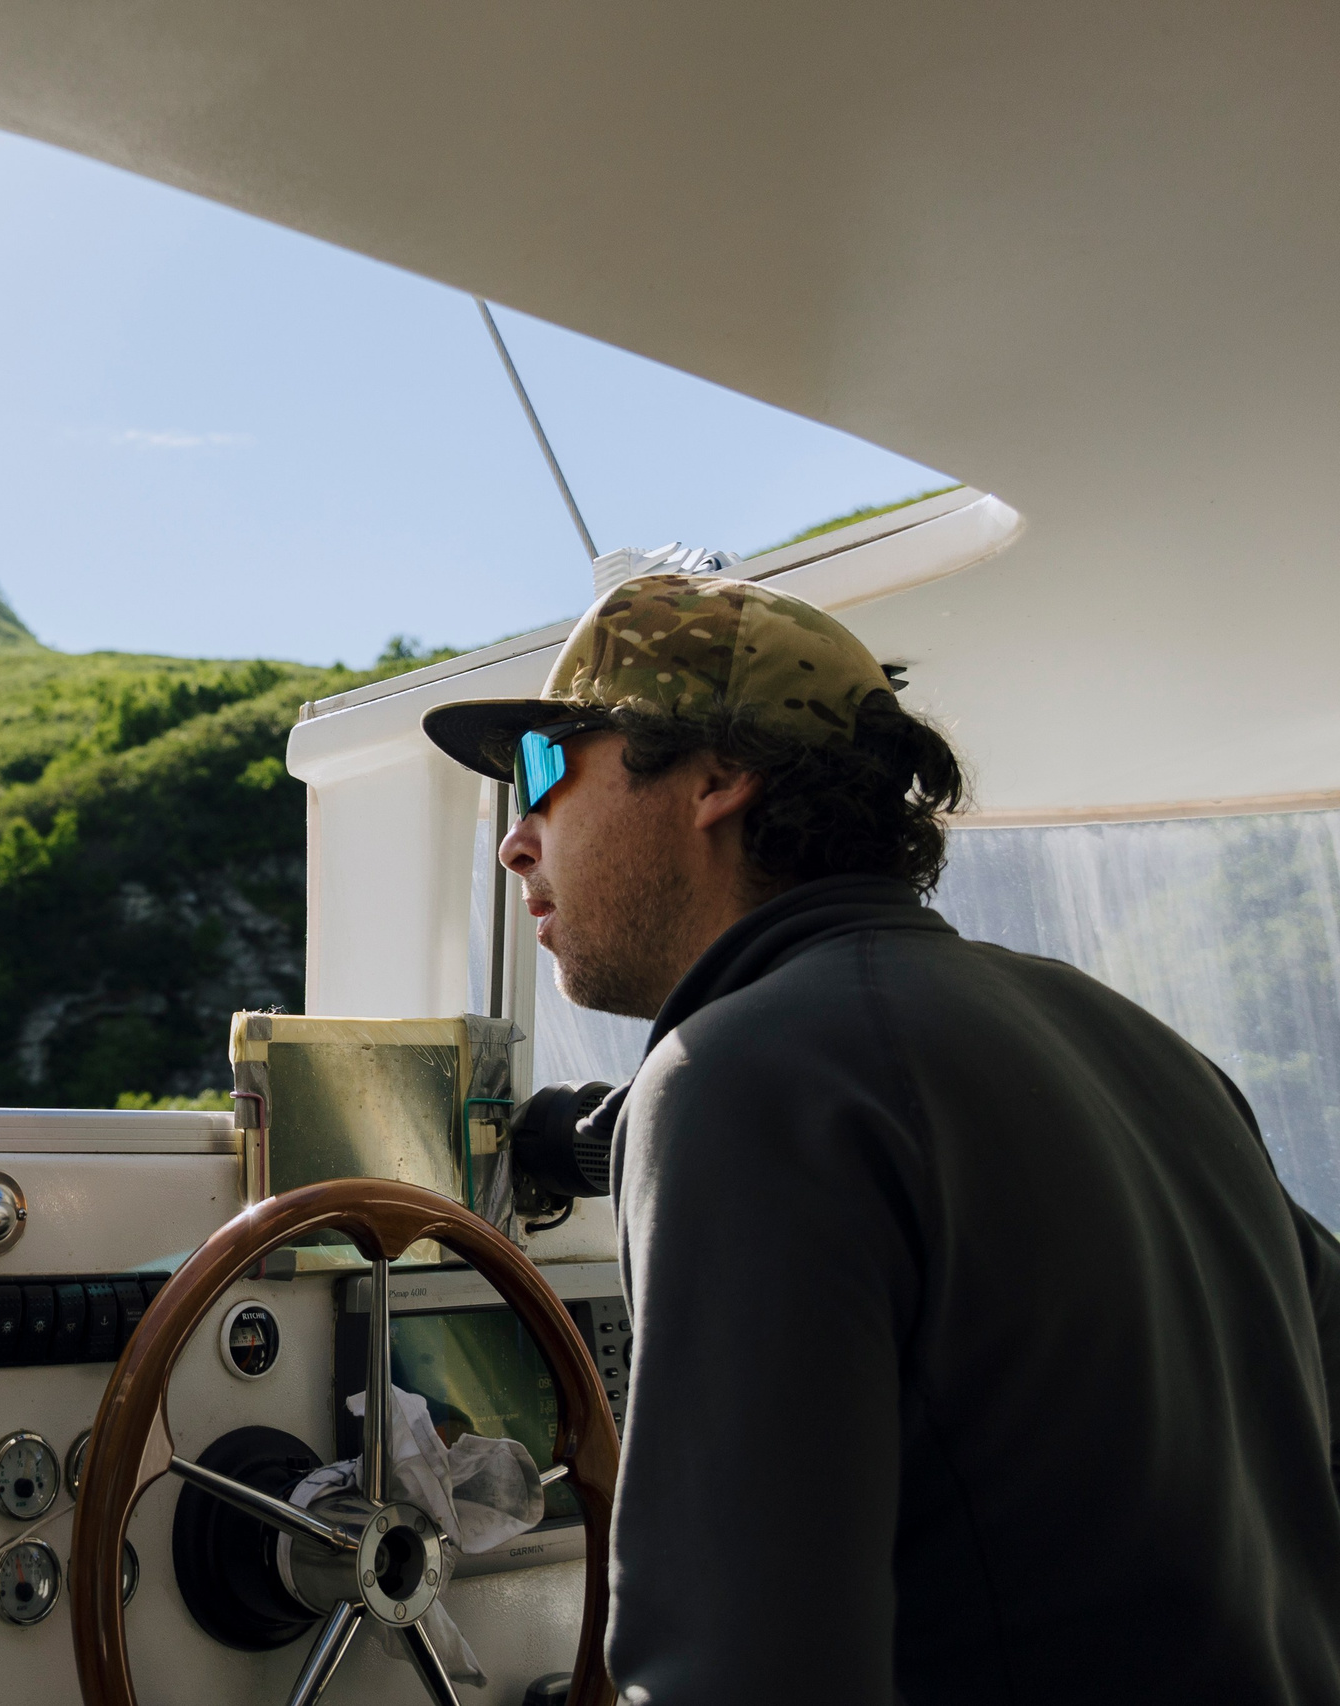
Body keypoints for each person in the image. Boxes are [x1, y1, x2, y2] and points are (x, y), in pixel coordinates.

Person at [422, 572, 1340, 1705]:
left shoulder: (741, 1077)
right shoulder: (1145, 1050)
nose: (516, 840)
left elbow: (740, 1670)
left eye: (545, 767)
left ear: (716, 774)